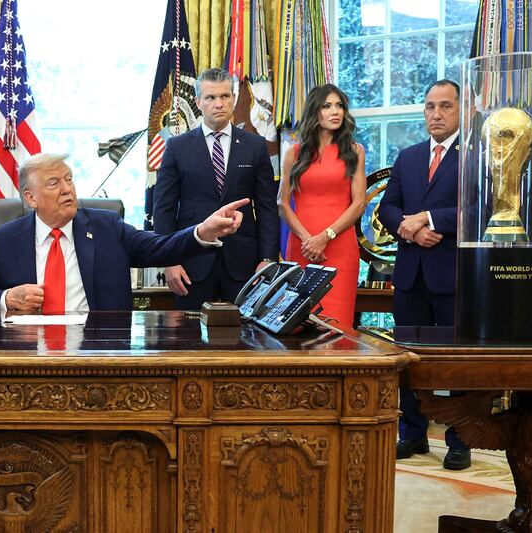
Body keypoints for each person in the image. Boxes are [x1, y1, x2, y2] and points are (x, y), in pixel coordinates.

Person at [0, 153, 248, 313]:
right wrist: (7, 298)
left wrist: (203, 230)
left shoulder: (107, 227)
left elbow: (163, 247)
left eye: (69, 179)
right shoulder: (4, 239)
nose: (67, 189)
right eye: (54, 183)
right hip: (29, 354)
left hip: (98, 350)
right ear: (30, 198)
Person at [377, 79, 470, 471]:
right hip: (411, 276)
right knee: (409, 360)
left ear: (462, 110)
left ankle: (460, 439)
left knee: (454, 362)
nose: (436, 113)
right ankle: (412, 434)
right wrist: (412, 227)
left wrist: (430, 219)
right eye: (431, 106)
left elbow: (480, 211)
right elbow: (387, 208)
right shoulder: (408, 157)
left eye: (446, 106)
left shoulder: (476, 156)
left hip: (452, 277)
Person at [152, 67, 279, 310]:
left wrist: (268, 259)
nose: (218, 103)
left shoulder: (255, 146)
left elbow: (267, 208)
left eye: (224, 96)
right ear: (198, 101)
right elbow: (164, 209)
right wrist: (169, 261)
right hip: (191, 263)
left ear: (233, 99)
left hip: (245, 264)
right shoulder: (177, 147)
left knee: (246, 340)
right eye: (211, 97)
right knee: (189, 341)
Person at [277, 84, 366, 329]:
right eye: (327, 106)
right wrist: (309, 240)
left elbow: (359, 204)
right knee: (296, 323)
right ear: (315, 111)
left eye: (339, 106)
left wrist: (325, 237)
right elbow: (282, 203)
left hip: (339, 248)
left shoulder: (355, 151)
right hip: (301, 247)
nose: (335, 111)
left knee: (336, 325)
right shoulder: (293, 153)